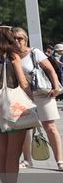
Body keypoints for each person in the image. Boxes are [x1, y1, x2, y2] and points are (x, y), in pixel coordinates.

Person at [0, 26, 35, 183]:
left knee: (2, 150)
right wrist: (32, 102)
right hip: (14, 105)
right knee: (14, 152)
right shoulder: (13, 56)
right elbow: (22, 82)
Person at [14, 27, 63, 169]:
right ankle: (27, 160)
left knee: (50, 127)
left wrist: (56, 87)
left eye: (20, 39)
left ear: (25, 39)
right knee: (25, 128)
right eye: (14, 39)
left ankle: (60, 160)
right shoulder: (11, 56)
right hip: (22, 96)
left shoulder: (34, 52)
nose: (17, 42)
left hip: (43, 94)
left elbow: (50, 69)